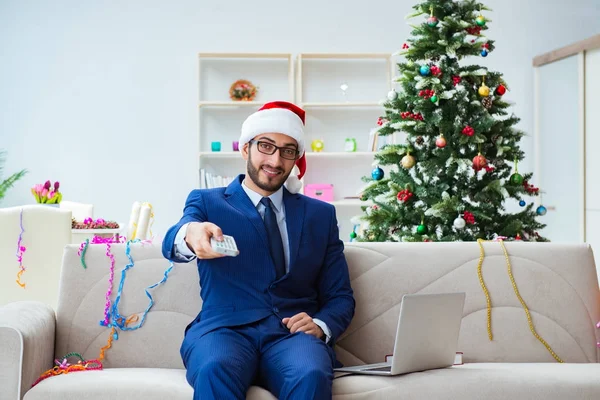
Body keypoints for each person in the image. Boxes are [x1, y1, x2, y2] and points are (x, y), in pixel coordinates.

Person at [162, 101, 355, 400]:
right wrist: (190, 234)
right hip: (224, 331)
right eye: (266, 146)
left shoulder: (320, 215)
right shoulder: (207, 201)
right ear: (245, 148)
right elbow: (173, 240)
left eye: (288, 151)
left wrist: (320, 324)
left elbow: (340, 295)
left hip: (292, 336)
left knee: (311, 373)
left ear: (296, 159)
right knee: (214, 368)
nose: (276, 161)